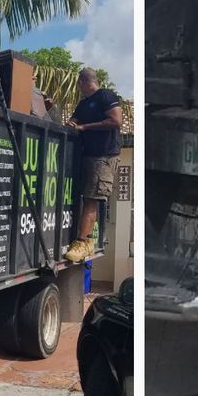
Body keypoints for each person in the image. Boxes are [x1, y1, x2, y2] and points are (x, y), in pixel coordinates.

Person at [64, 67, 124, 264]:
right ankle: (86, 239)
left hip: (104, 155)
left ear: (82, 82)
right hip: (87, 155)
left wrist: (84, 127)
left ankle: (83, 242)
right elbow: (73, 121)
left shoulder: (105, 96)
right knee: (86, 195)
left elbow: (116, 121)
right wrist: (72, 124)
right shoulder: (83, 104)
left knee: (92, 198)